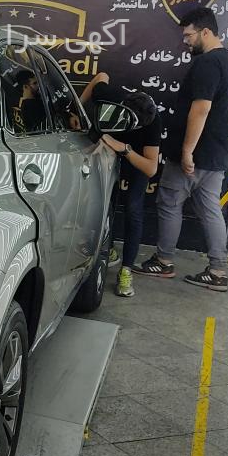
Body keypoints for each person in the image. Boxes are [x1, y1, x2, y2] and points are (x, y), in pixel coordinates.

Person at [131, 6, 228, 291]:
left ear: (206, 32)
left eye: (189, 35)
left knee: (169, 202)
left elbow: (201, 109)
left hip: (194, 154)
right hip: (216, 153)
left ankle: (164, 260)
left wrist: (187, 151)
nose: (185, 41)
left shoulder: (207, 64)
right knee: (210, 210)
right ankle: (217, 270)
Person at [81, 73, 161, 298]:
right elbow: (101, 76)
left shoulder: (153, 121)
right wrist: (78, 108)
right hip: (106, 151)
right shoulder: (112, 96)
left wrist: (124, 148)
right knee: (101, 201)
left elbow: (151, 168)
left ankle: (126, 269)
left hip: (132, 156)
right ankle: (109, 249)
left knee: (134, 208)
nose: (136, 127)